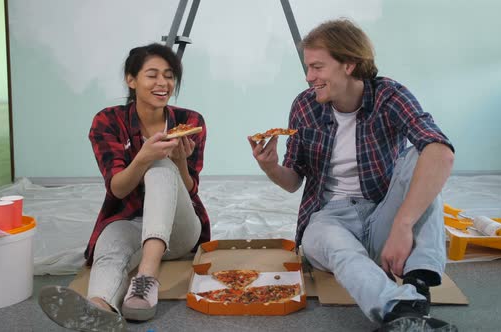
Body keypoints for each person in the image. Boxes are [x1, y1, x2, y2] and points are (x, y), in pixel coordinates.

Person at [248, 19, 457, 331]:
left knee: (423, 154)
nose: (309, 78)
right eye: (307, 68)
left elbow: (441, 151)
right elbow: (292, 181)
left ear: (349, 64)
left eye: (317, 67)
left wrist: (402, 224)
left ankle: (416, 282)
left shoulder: (389, 95)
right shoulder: (305, 107)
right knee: (329, 240)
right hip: (329, 219)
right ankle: (402, 308)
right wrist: (270, 166)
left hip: (382, 211)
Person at [39, 43, 210, 331]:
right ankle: (99, 308)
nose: (162, 83)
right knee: (110, 244)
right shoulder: (108, 121)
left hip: (180, 231)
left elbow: (191, 190)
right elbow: (117, 189)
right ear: (131, 80)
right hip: (131, 221)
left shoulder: (189, 121)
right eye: (152, 75)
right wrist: (142, 157)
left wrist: (179, 161)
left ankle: (146, 278)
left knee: (161, 167)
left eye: (168, 75)